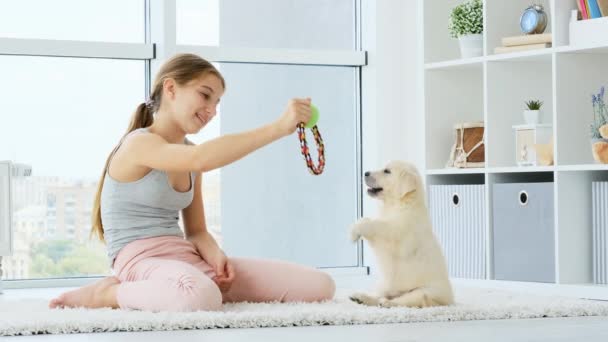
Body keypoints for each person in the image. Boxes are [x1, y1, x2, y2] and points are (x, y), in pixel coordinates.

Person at [48, 53, 335, 312]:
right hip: (140, 263)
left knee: (319, 286)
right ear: (170, 88)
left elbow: (196, 232)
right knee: (198, 297)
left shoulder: (190, 153)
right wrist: (276, 128)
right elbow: (201, 158)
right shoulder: (139, 144)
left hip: (184, 260)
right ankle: (107, 294)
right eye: (205, 95)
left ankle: (188, 287)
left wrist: (215, 256)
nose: (211, 110)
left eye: (217, 102)